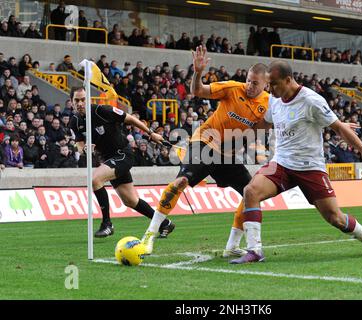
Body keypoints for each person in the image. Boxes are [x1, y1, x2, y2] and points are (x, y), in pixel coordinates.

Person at [230, 60, 362, 264]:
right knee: (251, 191)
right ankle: (254, 251)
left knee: (335, 218)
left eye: (274, 84)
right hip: (282, 163)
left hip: (310, 168)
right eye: (268, 84)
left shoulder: (311, 100)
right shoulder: (274, 100)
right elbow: (265, 123)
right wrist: (239, 141)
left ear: (288, 79)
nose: (270, 89)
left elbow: (338, 127)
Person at [140, 46, 270, 257]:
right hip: (205, 142)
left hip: (226, 155)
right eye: (248, 80)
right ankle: (149, 236)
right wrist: (198, 72)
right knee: (180, 182)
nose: (249, 85)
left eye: (255, 83)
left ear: (266, 84)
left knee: (251, 193)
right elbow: (198, 91)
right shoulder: (232, 88)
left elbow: (257, 131)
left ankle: (232, 247)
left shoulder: (268, 104)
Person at [69, 86, 176, 238]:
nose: (80, 103)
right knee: (131, 201)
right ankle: (165, 223)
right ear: (71, 102)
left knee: (95, 179)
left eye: (83, 100)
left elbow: (131, 119)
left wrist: (151, 134)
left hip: (122, 154)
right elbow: (79, 145)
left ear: (88, 100)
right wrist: (85, 149)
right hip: (108, 159)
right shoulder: (75, 122)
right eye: (76, 100)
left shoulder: (102, 110)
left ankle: (107, 223)